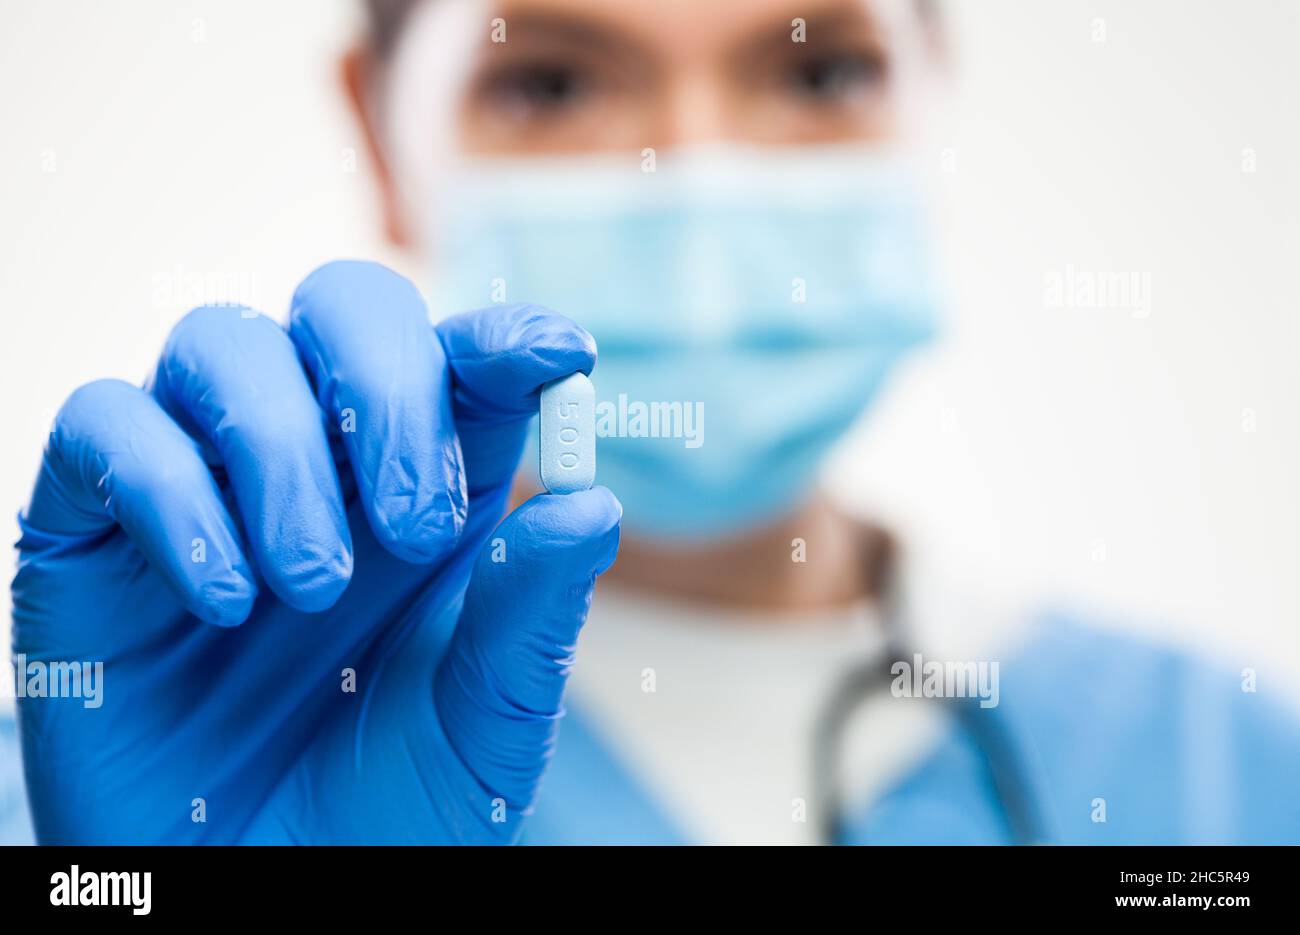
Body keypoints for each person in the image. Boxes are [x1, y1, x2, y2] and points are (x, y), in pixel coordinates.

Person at [4, 0, 1298, 845]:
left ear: (928, 104)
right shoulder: (141, 762)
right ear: (382, 136)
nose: (697, 180)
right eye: (556, 86)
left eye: (822, 69)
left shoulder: (1220, 774)